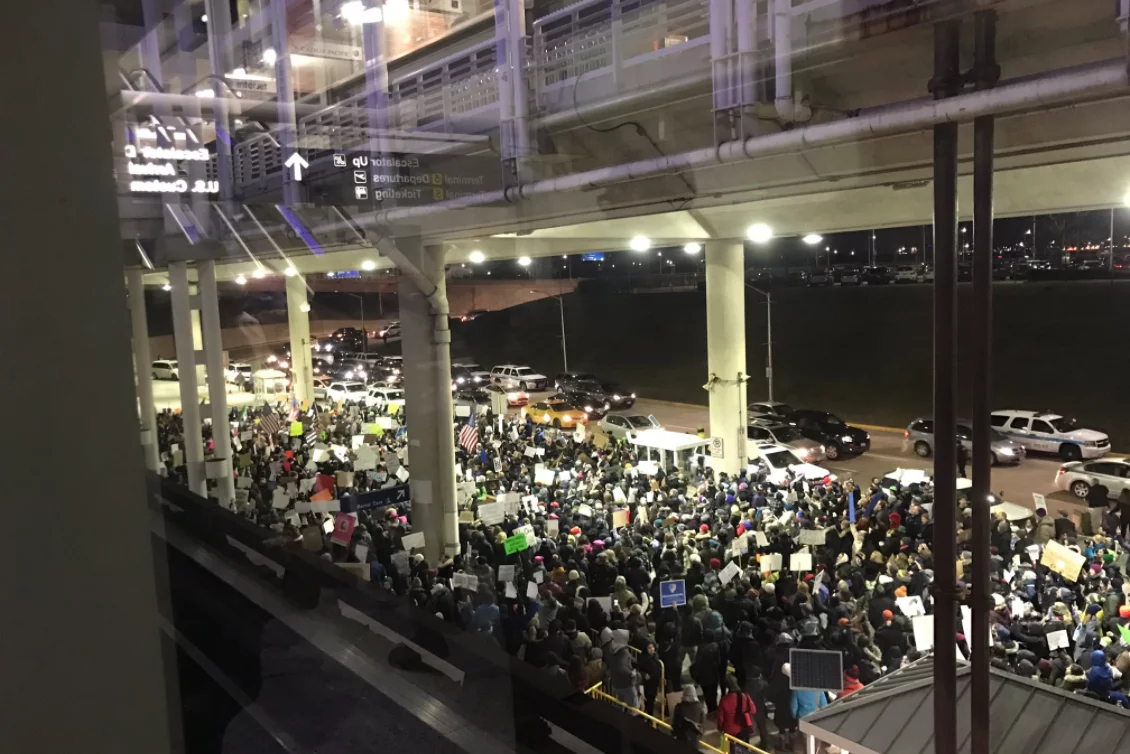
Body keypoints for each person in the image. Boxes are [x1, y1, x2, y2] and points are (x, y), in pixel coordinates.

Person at [717, 675, 757, 744]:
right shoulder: (745, 696)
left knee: (731, 749)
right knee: (743, 749)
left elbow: (721, 718)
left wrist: (720, 728)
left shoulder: (724, 700)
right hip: (743, 728)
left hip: (729, 730)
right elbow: (753, 711)